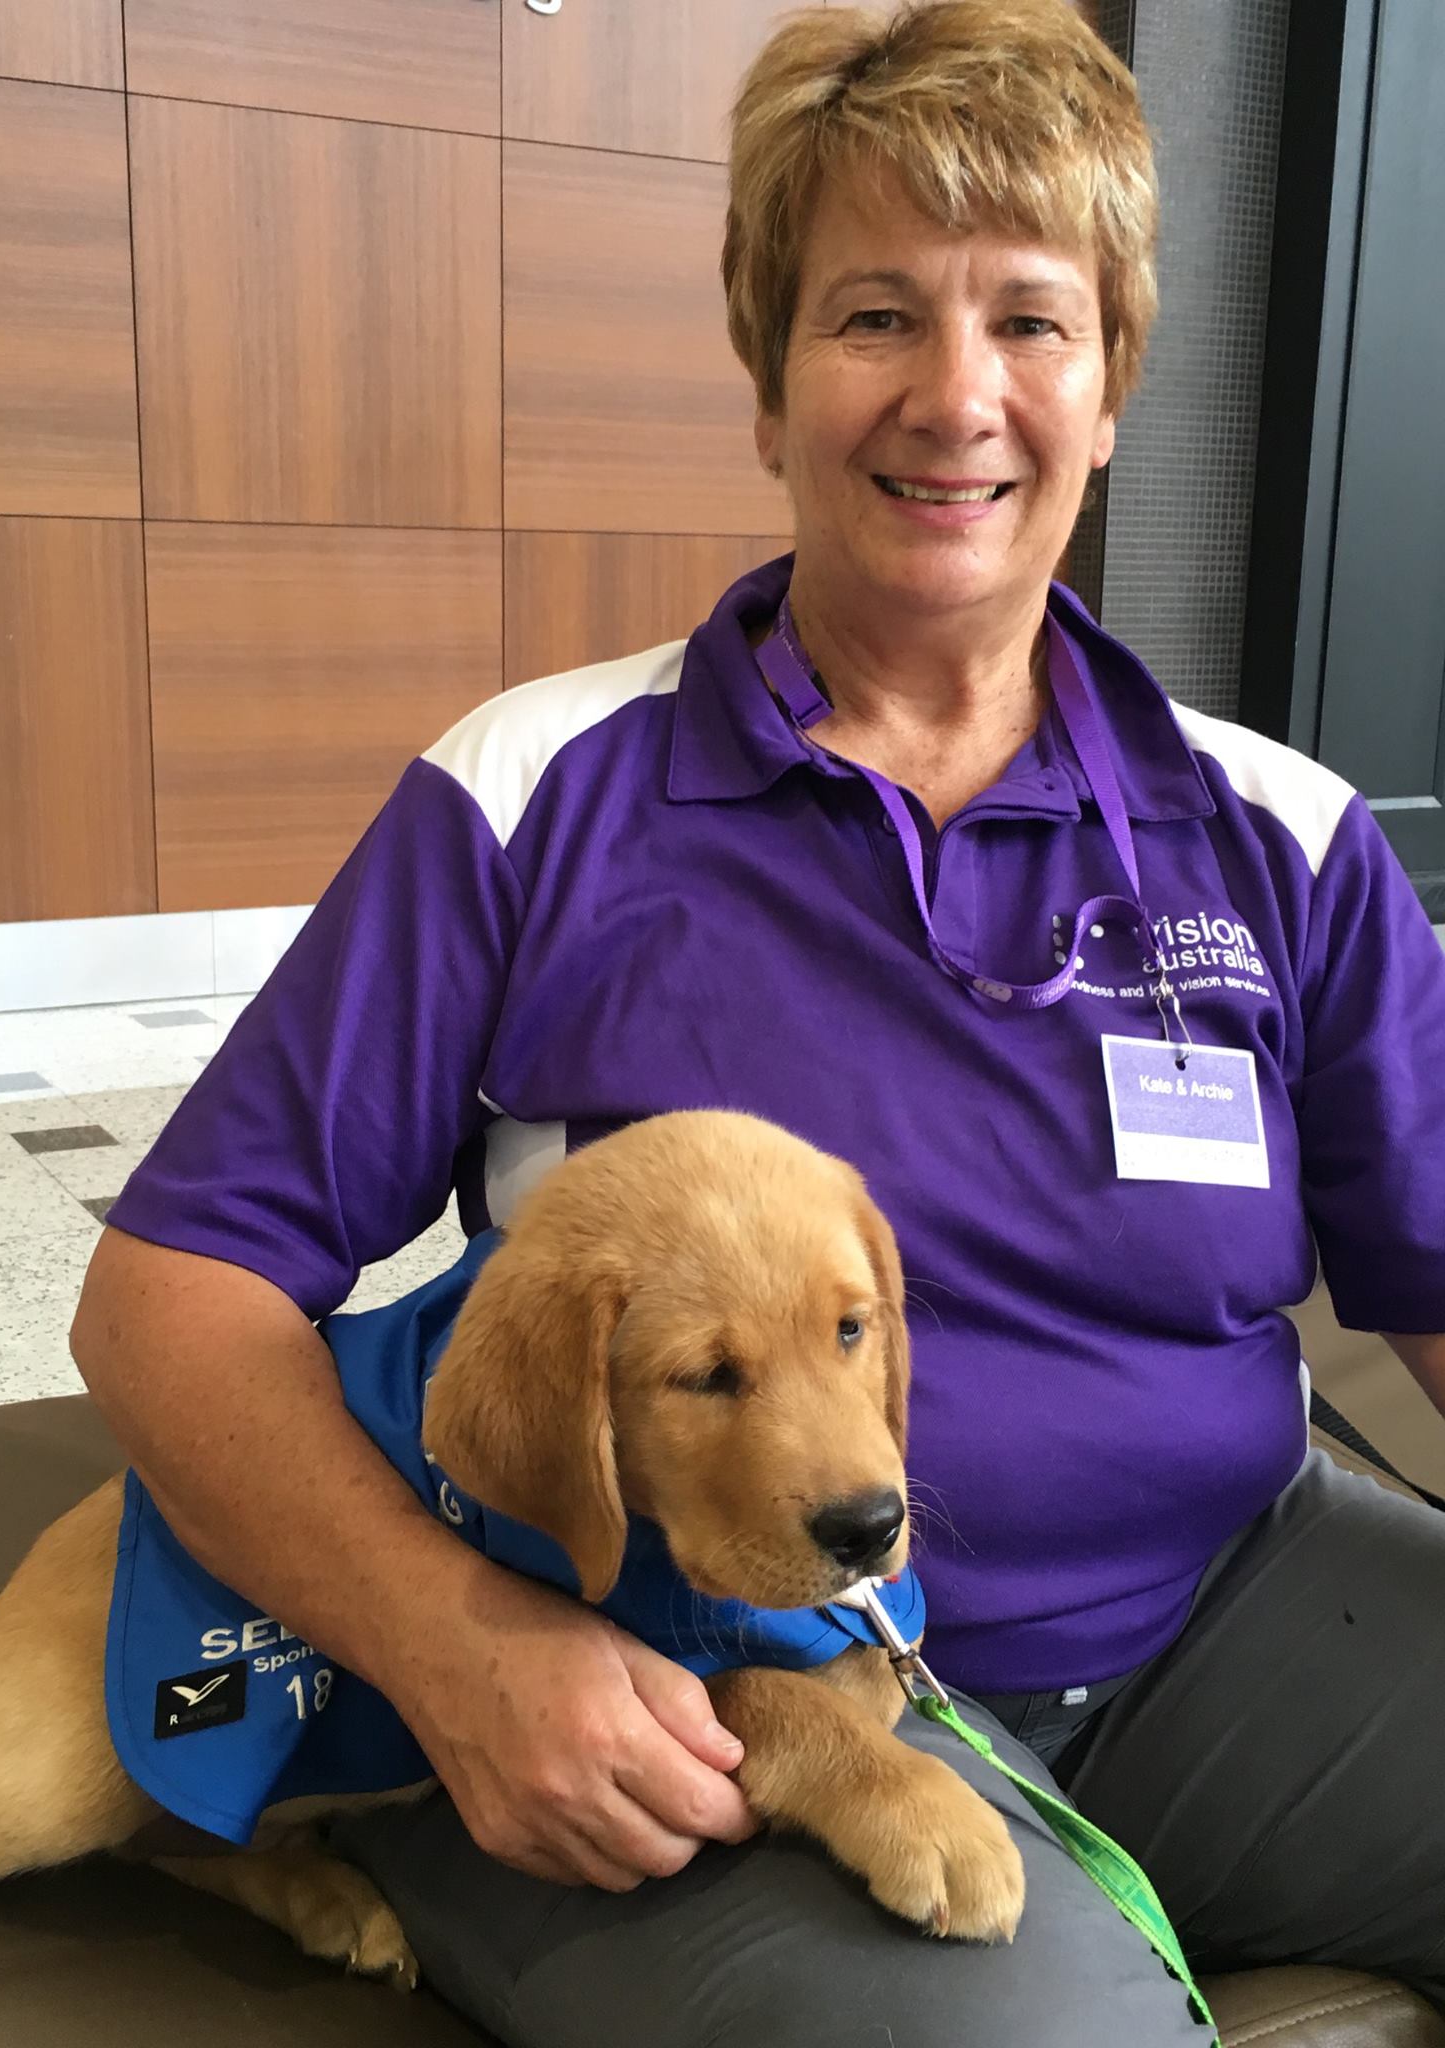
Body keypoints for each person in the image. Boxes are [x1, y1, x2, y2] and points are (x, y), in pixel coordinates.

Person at [71, 2, 1445, 2041]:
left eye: (1034, 321)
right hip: (676, 1698)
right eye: (876, 313)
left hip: (1219, 1615)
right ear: (771, 379)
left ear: (1117, 378)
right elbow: (167, 1290)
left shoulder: (1282, 834)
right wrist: (456, 1648)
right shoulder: (539, 795)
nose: (957, 395)